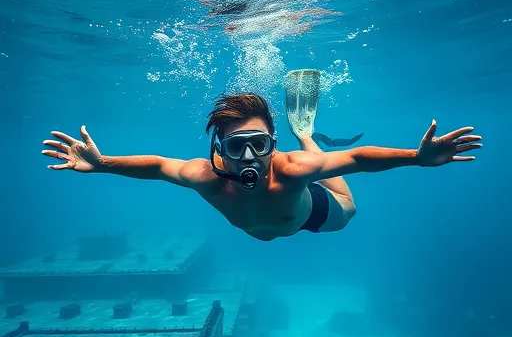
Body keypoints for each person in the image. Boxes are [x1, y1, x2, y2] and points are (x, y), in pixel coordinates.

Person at [42, 89, 482, 242]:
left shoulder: (290, 170)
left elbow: (356, 158)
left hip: (312, 215)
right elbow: (158, 166)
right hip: (273, 222)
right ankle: (309, 138)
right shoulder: (206, 178)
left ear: (272, 144)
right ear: (220, 149)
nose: (249, 157)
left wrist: (417, 158)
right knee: (318, 167)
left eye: (258, 144)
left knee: (345, 199)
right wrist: (102, 164)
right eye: (237, 146)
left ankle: (306, 133)